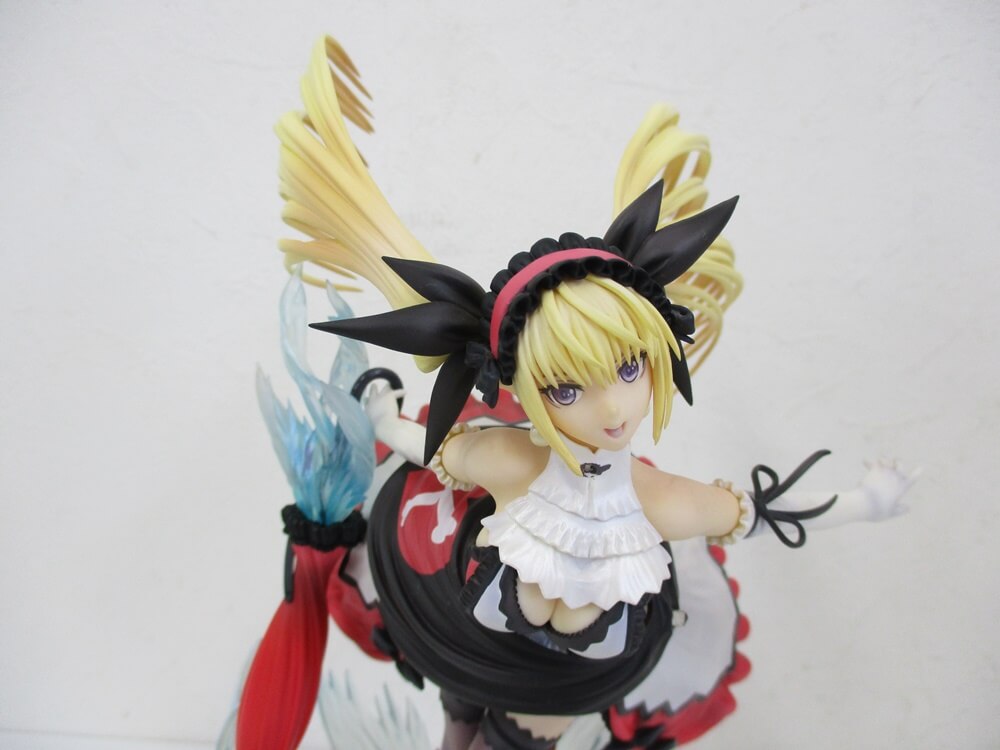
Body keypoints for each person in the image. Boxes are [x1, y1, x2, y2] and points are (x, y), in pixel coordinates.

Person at [240, 35, 917, 750]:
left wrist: (864, 503)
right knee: (461, 716)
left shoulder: (650, 498)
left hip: (559, 691)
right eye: (567, 388)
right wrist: (382, 413)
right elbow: (430, 450)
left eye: (629, 370)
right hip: (469, 644)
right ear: (529, 389)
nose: (614, 408)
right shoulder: (515, 462)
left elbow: (756, 512)